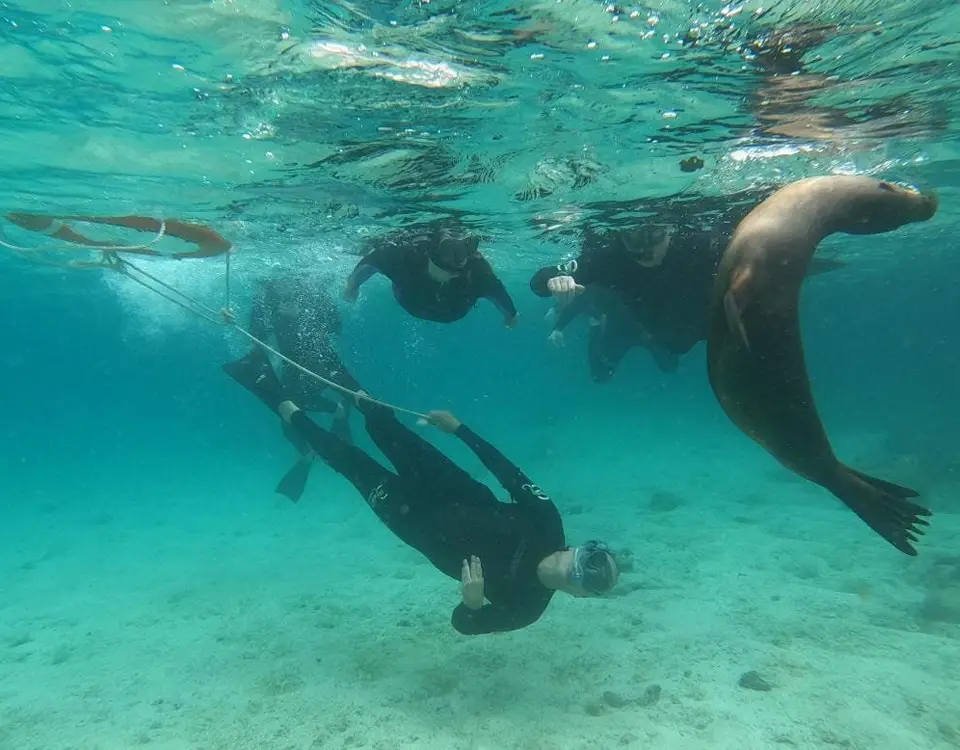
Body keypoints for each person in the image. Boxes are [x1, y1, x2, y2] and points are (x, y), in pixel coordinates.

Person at [222, 349, 620, 636]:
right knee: (384, 426)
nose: (578, 566)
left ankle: (267, 388)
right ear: (577, 548)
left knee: (343, 458)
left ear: (580, 594)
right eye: (587, 556)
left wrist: (473, 602)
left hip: (411, 521)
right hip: (449, 484)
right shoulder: (548, 522)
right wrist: (460, 430)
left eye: (586, 576)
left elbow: (465, 626)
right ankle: (329, 365)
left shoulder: (525, 608)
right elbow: (507, 471)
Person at [231, 273, 361, 502]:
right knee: (287, 414)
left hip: (319, 365)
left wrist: (300, 316)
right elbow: (256, 338)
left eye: (291, 284)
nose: (285, 289)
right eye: (279, 283)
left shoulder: (314, 294)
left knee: (306, 402)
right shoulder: (265, 300)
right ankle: (308, 452)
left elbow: (335, 326)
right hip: (291, 369)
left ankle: (337, 417)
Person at [344, 220, 519, 327]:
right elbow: (370, 262)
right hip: (409, 302)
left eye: (467, 247)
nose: (460, 260)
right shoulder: (405, 258)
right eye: (450, 250)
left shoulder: (478, 272)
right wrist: (352, 285)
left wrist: (510, 317)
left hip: (452, 313)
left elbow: (502, 299)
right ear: (431, 252)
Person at [545, 284, 679, 380]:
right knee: (600, 376)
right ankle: (595, 325)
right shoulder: (609, 274)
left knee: (670, 366)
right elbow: (582, 298)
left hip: (647, 330)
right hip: (618, 330)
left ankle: (595, 324)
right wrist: (558, 327)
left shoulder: (655, 276)